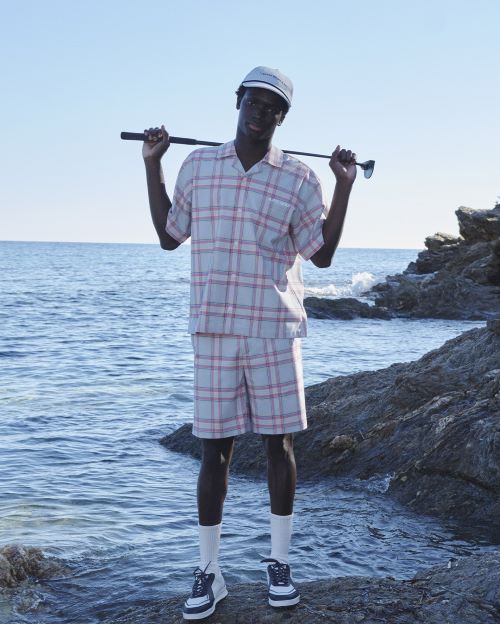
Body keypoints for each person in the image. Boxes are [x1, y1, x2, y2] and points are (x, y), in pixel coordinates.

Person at [142, 66, 357, 620]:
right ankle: (208, 572)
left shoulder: (300, 179)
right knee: (213, 451)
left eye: (273, 108)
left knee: (279, 447)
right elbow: (169, 236)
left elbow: (322, 255)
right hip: (213, 328)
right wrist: (152, 164)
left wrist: (343, 185)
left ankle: (279, 564)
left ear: (283, 117)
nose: (261, 113)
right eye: (254, 103)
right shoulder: (198, 165)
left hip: (273, 329)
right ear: (237, 101)